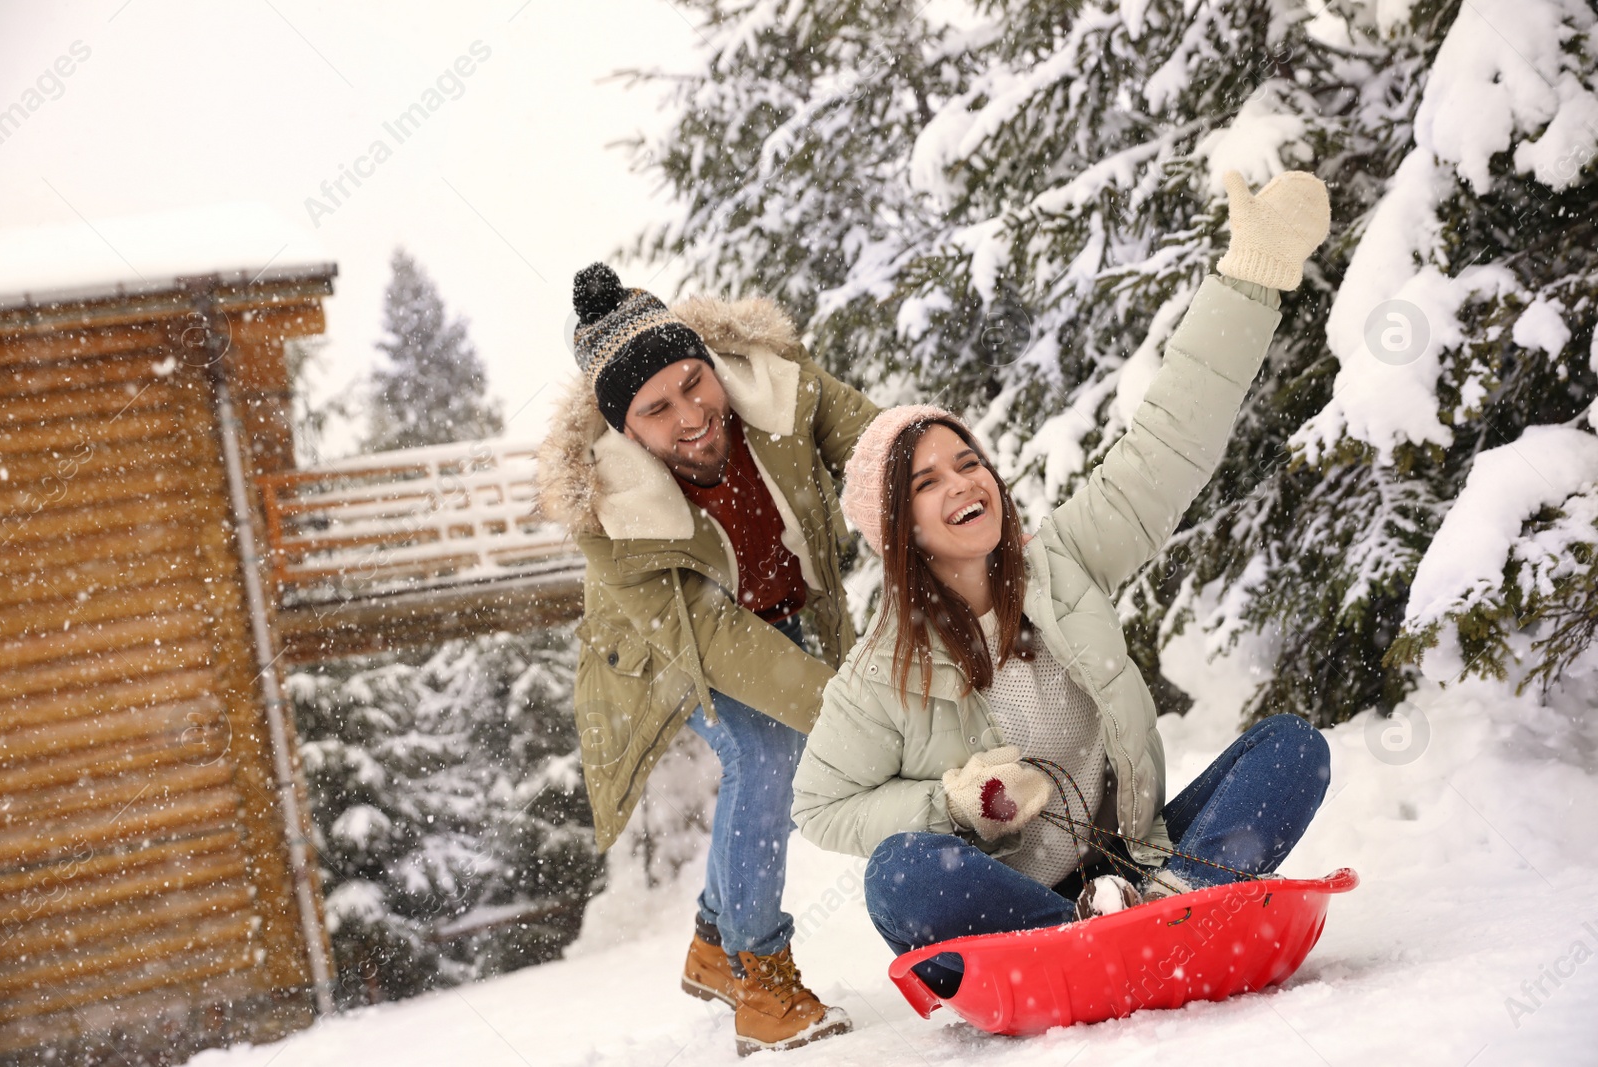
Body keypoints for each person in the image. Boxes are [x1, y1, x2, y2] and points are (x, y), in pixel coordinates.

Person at [790, 170, 1335, 996]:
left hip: (1145, 866)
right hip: (1019, 908)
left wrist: (1251, 277)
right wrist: (949, 804)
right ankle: (1082, 942)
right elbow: (819, 806)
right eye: (928, 480)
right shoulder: (879, 674)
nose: (963, 482)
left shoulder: (1067, 561)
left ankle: (1168, 907)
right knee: (899, 876)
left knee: (1293, 747)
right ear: (901, 531)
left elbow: (1169, 441)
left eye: (969, 461)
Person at [536, 263, 878, 1055]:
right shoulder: (609, 516)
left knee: (780, 747)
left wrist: (930, 491)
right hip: (667, 651)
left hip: (783, 611)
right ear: (625, 430)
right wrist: (851, 713)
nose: (693, 416)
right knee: (768, 754)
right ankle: (759, 976)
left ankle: (712, 943)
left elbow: (876, 443)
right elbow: (714, 638)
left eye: (696, 383)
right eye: (658, 409)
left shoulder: (778, 394)